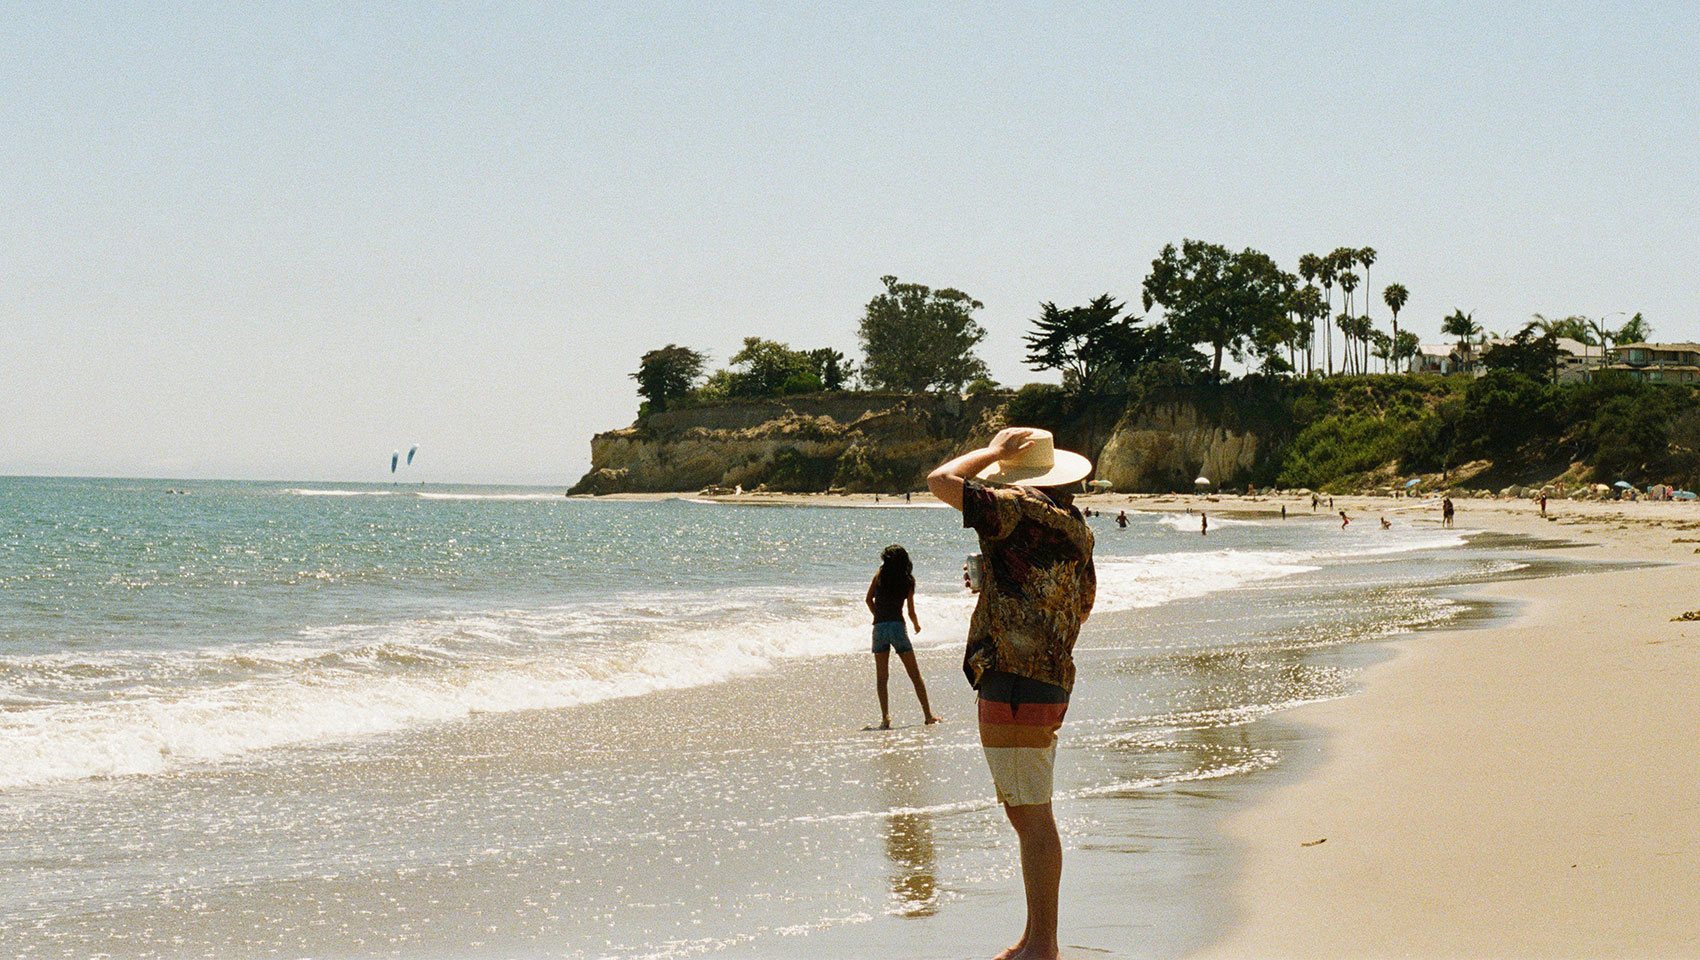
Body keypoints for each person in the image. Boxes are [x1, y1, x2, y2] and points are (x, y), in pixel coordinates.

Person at [927, 427, 1095, 960]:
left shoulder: (1016, 509)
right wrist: (1008, 595)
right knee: (1030, 811)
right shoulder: (1074, 527)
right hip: (1049, 676)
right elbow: (1081, 604)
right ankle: (1035, 936)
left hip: (1013, 679)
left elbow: (941, 480)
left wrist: (993, 454)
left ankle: (1043, 943)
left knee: (1031, 815)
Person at [865, 545, 940, 729]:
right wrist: (916, 624)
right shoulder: (908, 580)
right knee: (914, 675)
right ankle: (928, 715)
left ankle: (885, 719)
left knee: (882, 678)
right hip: (898, 627)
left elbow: (868, 599)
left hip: (880, 628)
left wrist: (878, 616)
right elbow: (911, 611)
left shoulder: (880, 574)